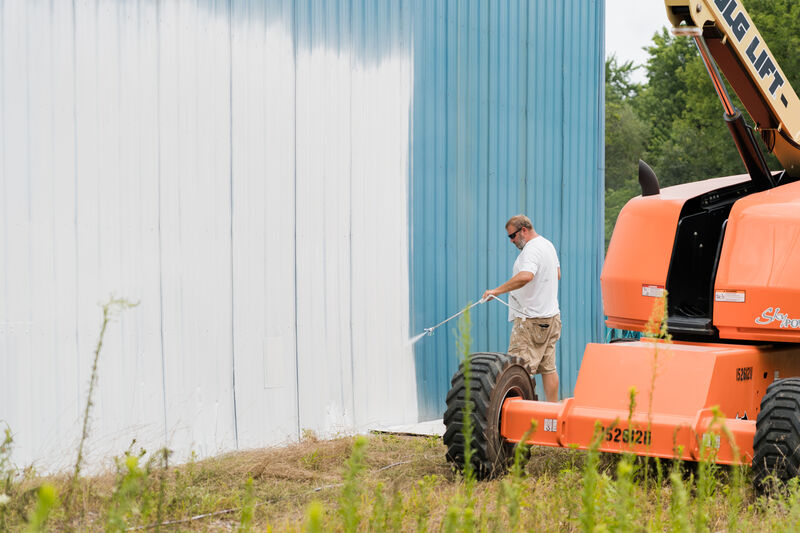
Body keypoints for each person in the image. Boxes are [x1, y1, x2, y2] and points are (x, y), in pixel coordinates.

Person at [482, 215, 562, 402]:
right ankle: (552, 413)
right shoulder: (547, 245)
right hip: (551, 318)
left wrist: (497, 291)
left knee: (517, 372)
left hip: (531, 322)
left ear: (523, 230)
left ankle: (521, 419)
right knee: (549, 368)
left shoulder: (531, 250)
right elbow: (557, 274)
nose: (511, 241)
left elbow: (526, 276)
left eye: (512, 236)